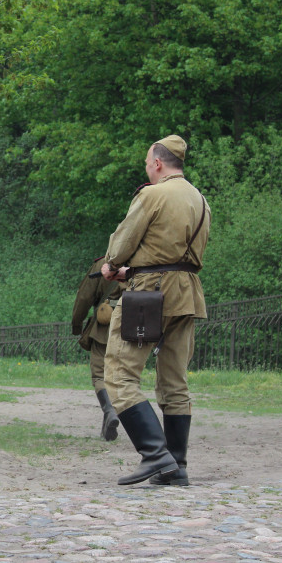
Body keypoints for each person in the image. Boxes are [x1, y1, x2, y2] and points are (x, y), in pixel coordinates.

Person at [101, 134, 210, 486]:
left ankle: (155, 454)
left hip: (149, 294)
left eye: (148, 164)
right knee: (175, 380)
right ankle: (176, 465)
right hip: (187, 293)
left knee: (119, 374)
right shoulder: (200, 200)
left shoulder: (152, 195)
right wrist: (134, 269)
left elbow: (123, 242)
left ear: (158, 164)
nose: (147, 169)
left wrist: (112, 265)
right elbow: (175, 255)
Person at [71, 255, 124, 441]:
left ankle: (109, 411)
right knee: (124, 377)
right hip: (134, 327)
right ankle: (109, 424)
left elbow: (84, 296)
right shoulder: (144, 261)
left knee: (100, 375)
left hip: (106, 327)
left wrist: (77, 325)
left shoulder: (103, 263)